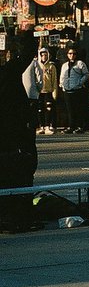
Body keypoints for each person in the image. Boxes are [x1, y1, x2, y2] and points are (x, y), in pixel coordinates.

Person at [0, 42, 38, 191]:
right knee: (22, 162)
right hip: (16, 124)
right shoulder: (9, 72)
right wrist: (27, 34)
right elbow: (27, 54)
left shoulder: (9, 71)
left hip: (12, 125)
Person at [59, 47, 89, 133]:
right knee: (70, 110)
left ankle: (79, 126)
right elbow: (62, 76)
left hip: (77, 89)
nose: (72, 55)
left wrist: (80, 82)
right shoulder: (64, 65)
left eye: (73, 53)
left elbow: (86, 74)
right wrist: (62, 85)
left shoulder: (80, 63)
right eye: (70, 53)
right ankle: (71, 126)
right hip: (67, 90)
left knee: (78, 109)